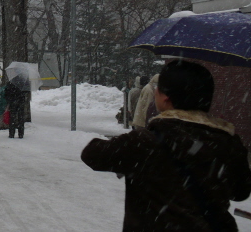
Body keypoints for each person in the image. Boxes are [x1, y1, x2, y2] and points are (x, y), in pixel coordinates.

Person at [81, 60, 251, 232]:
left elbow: (92, 154)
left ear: (166, 98)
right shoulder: (228, 143)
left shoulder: (145, 142)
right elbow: (240, 192)